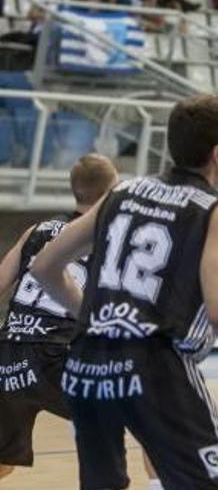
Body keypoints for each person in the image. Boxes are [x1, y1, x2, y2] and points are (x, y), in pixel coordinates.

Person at [30, 95, 218, 489]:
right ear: (217, 153)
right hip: (154, 366)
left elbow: (43, 267)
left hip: (85, 362)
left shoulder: (121, 193)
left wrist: (90, 313)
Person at [0, 155, 160, 488]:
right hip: (60, 354)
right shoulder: (112, 237)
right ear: (112, 190)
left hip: (9, 356)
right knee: (152, 421)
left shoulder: (37, 231)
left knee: (2, 460)